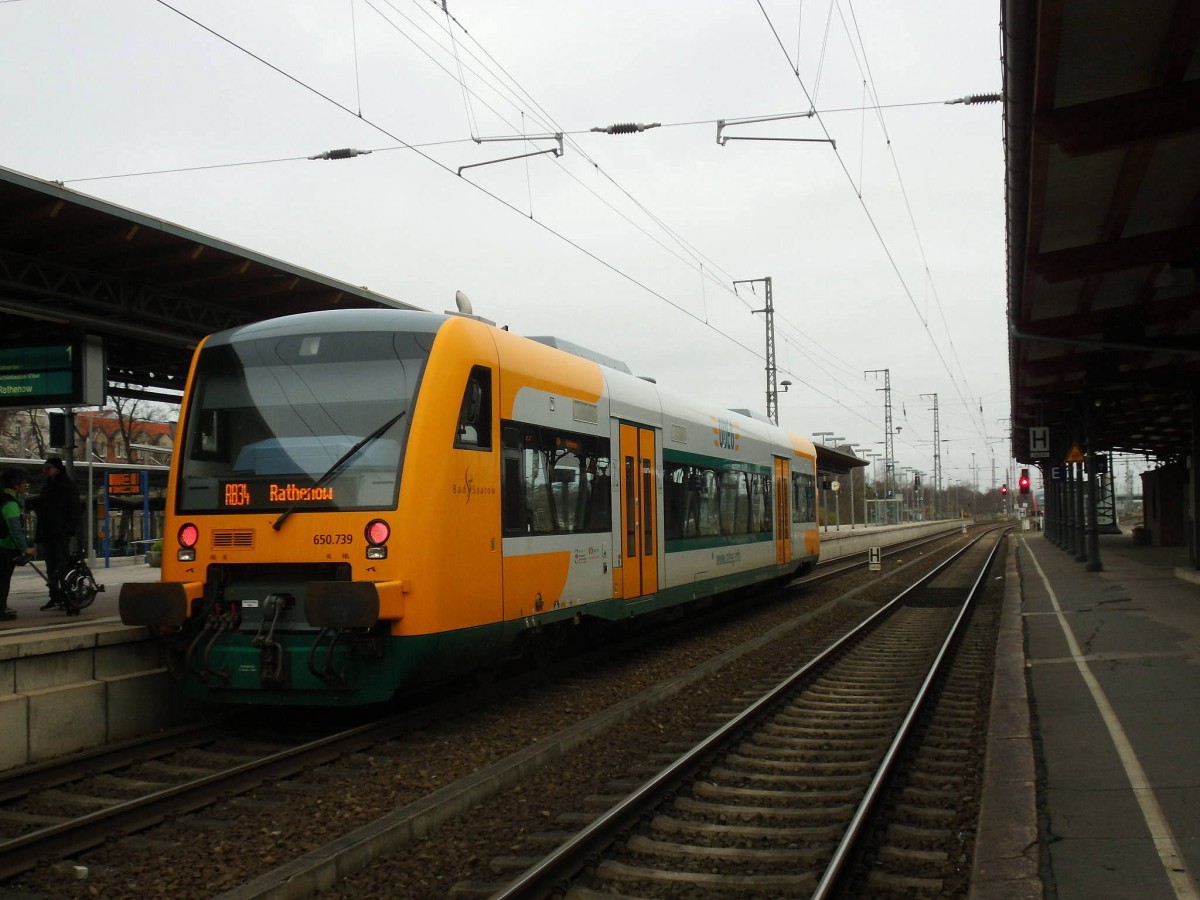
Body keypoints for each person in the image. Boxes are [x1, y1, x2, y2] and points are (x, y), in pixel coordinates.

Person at [35, 456, 81, 612]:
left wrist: (68, 528)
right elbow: (41, 512)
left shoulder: (67, 487)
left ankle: (66, 595)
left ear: (57, 469)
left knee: (61, 566)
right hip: (48, 533)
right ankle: (55, 596)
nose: (45, 471)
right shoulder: (46, 488)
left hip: (60, 533)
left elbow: (74, 509)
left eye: (48, 468)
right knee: (51, 567)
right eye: (44, 469)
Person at [1, 468, 37, 621]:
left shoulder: (2, 498)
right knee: (3, 580)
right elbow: (15, 529)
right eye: (24, 483)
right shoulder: (10, 503)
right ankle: (1, 611)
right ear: (16, 485)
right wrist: (25, 548)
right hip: (4, 546)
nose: (26, 486)